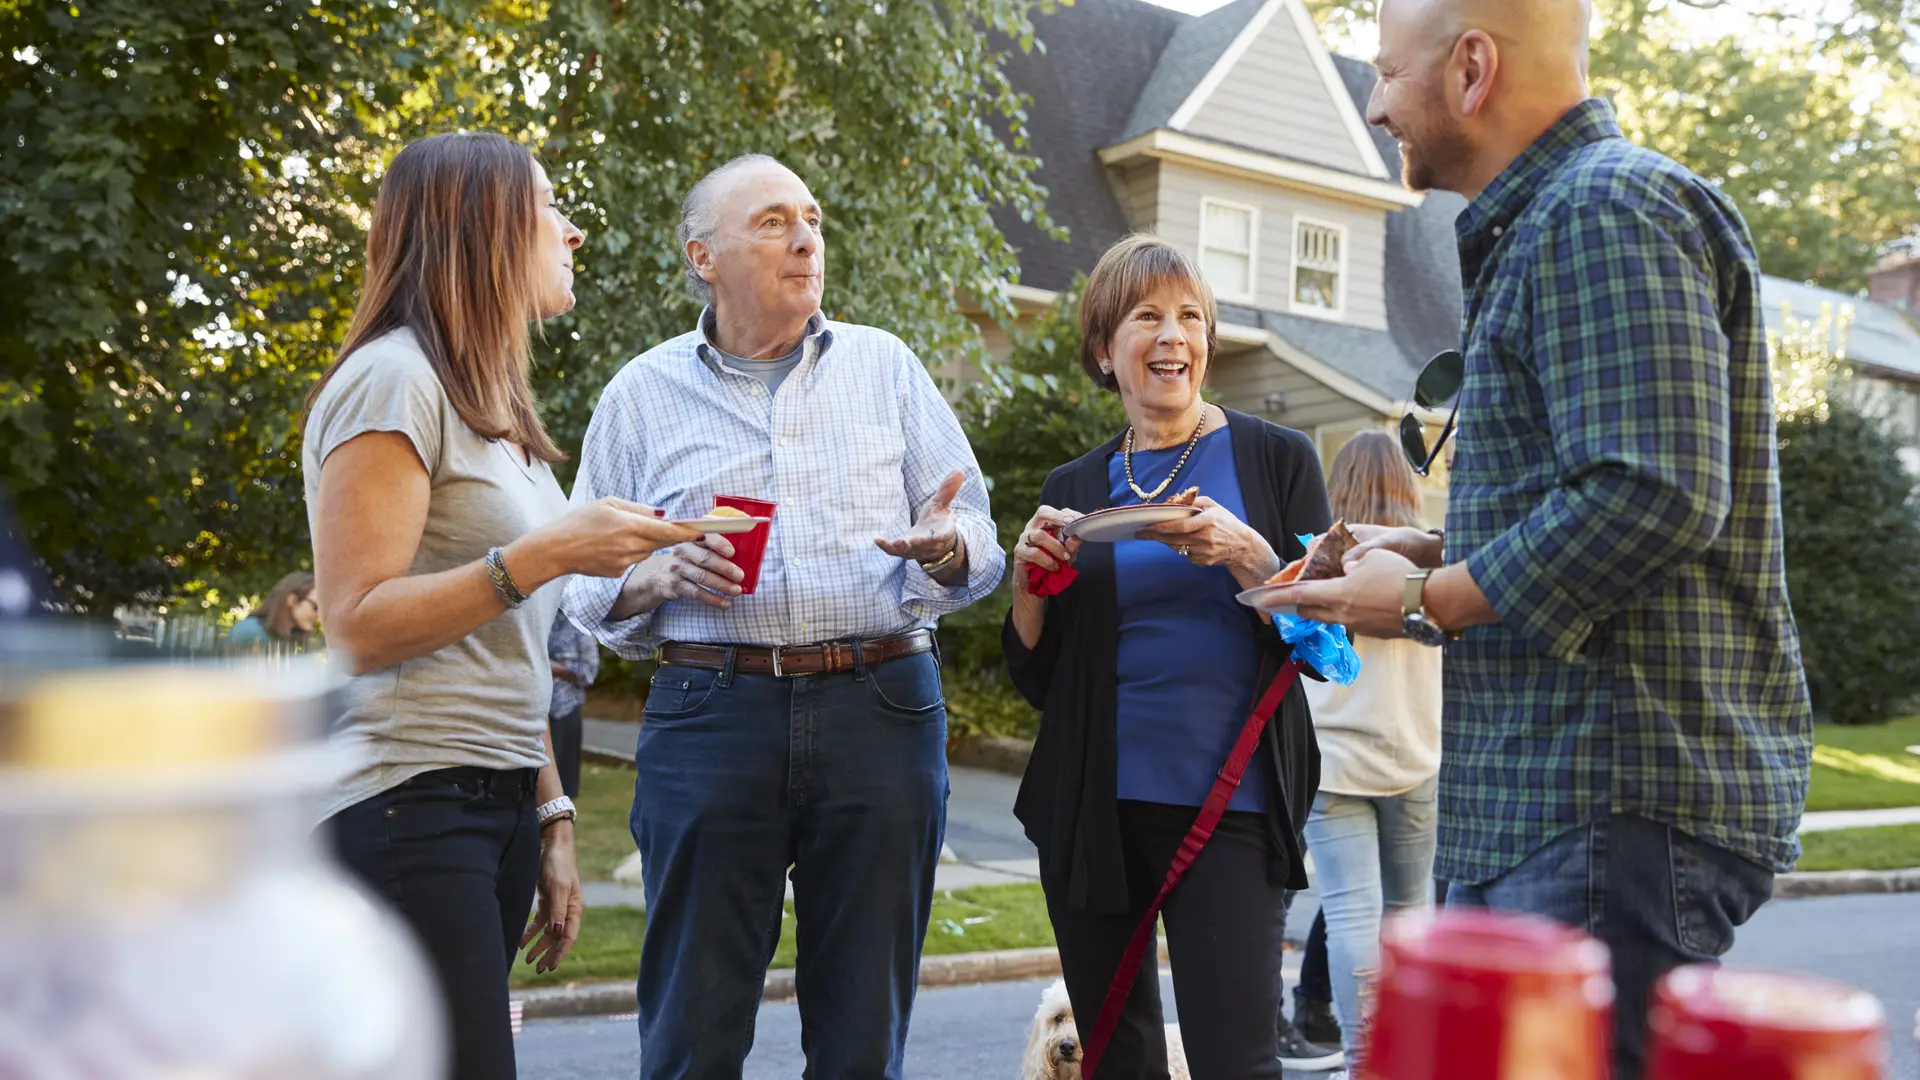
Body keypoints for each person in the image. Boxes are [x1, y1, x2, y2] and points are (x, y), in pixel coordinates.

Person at [1265, 1, 1814, 1075]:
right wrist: (1423, 553)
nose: (1375, 106)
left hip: (1604, 800)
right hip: (1554, 810)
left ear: (1472, 67)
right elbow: (1592, 497)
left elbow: (1654, 492)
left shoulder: (1601, 208)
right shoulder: (1559, 225)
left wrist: (1423, 601)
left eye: (1387, 73)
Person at [563, 153, 1005, 1080]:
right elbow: (580, 583)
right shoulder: (641, 393)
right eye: (772, 222)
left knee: (862, 1040)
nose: (806, 239)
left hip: (882, 706)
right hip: (710, 714)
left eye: (811, 219)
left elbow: (976, 532)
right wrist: (654, 574)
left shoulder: (886, 366)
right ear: (703, 256)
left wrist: (948, 545)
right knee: (691, 1035)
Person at [301, 131, 700, 1080]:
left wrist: (552, 814)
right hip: (406, 798)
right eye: (551, 208)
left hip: (495, 798)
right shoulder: (392, 380)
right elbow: (355, 622)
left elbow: (505, 645)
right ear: (482, 229)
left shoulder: (491, 409)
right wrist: (548, 551)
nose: (572, 232)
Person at [1005, 234, 1332, 1080]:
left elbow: (1331, 643)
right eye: (1146, 317)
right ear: (1103, 350)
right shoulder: (1074, 489)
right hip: (1095, 812)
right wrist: (1027, 585)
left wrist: (1250, 556)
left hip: (1234, 806)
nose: (1172, 336)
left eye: (1190, 317)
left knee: (1235, 1061)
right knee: (1117, 1061)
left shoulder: (1276, 460)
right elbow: (1039, 677)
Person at [1297, 431, 1442, 1063]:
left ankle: (1364, 1065)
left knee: (1351, 914)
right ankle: (1406, 1058)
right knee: (1409, 915)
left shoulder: (1318, 559)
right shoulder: (1430, 565)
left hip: (1331, 761)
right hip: (1414, 756)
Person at [546, 610, 599, 798]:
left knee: (563, 783)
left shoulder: (580, 626)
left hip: (565, 708)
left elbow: (589, 671)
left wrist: (555, 668)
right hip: (535, 708)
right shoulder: (542, 618)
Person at [226, 571, 322, 652]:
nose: (319, 614)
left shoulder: (290, 640)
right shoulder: (248, 631)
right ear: (292, 600)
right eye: (315, 607)